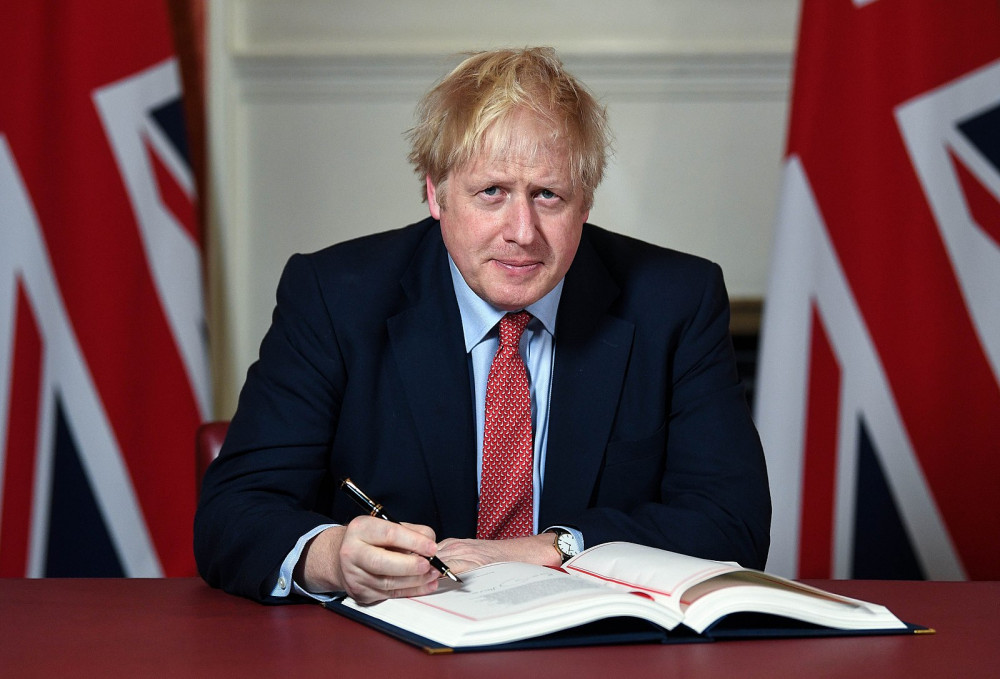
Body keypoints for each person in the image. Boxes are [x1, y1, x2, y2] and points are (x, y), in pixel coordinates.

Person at [194, 46, 770, 605]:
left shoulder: (675, 301)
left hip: (596, 654)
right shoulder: (334, 296)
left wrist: (555, 547)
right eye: (491, 192)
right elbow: (234, 512)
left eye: (549, 195)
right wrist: (333, 556)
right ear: (435, 193)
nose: (521, 231)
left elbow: (731, 521)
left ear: (586, 201)